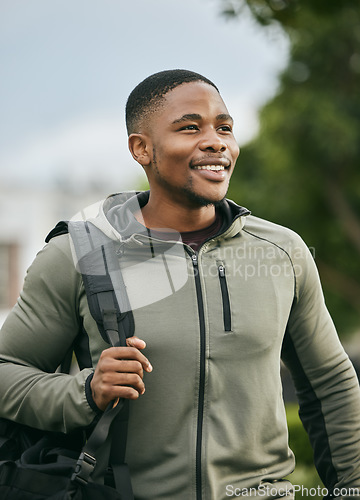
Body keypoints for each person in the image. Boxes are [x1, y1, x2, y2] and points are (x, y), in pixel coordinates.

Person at [0, 69, 360, 500]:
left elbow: (331, 383)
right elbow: (6, 372)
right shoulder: (78, 255)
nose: (215, 141)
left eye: (224, 128)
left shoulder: (282, 252)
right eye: (190, 127)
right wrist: (85, 391)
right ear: (142, 149)